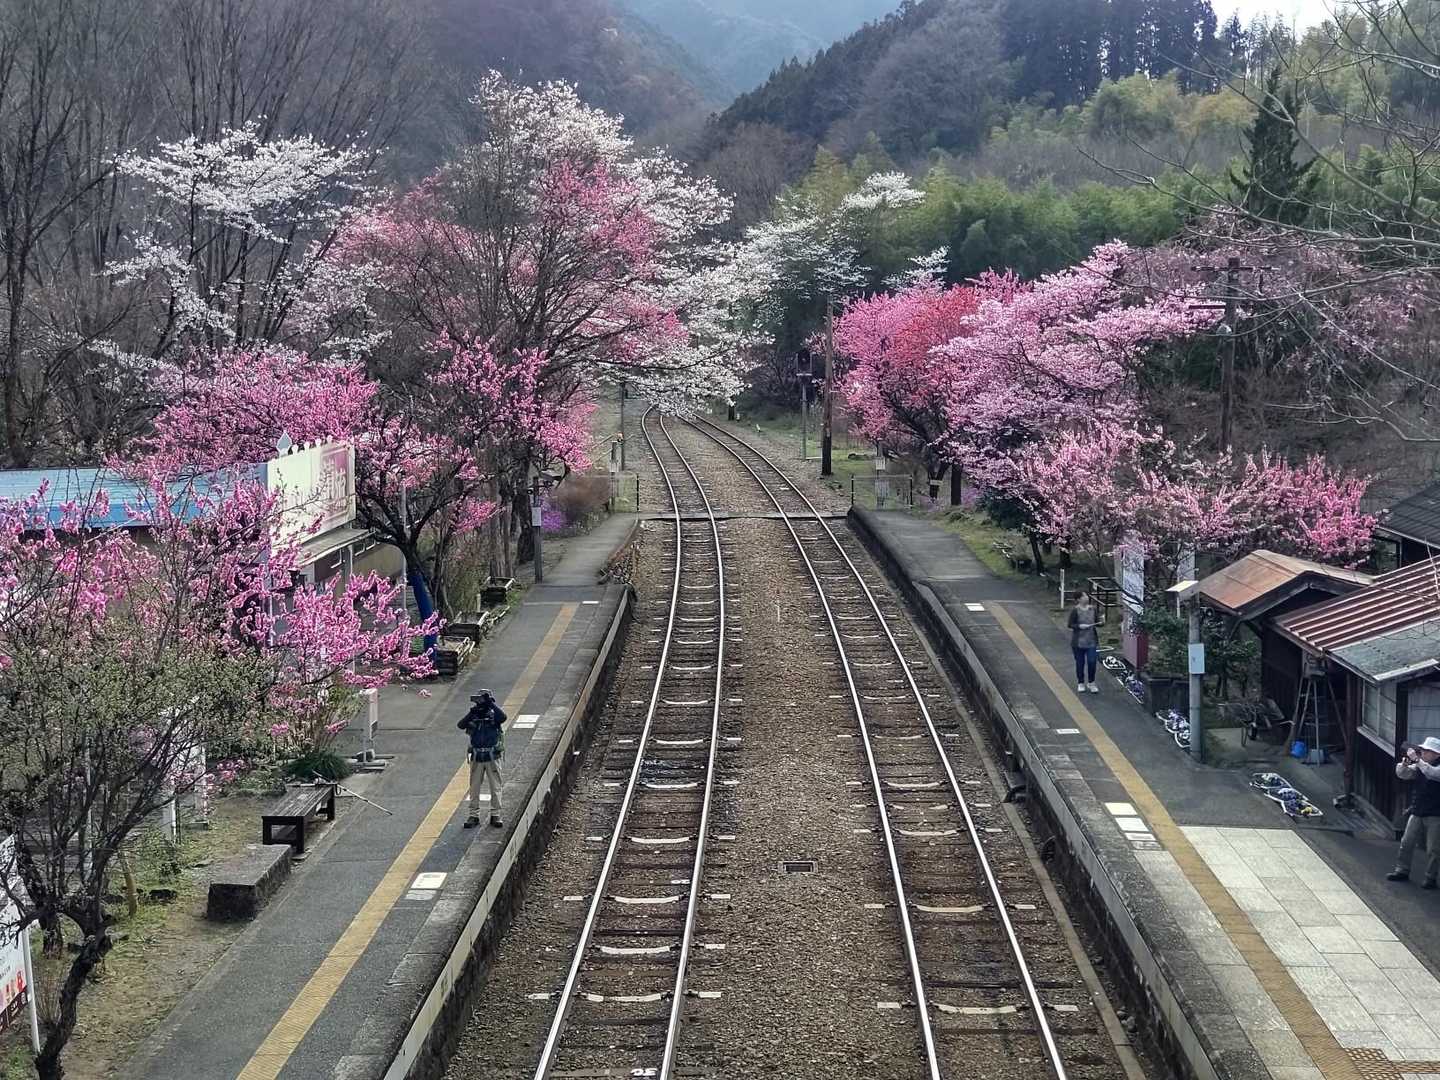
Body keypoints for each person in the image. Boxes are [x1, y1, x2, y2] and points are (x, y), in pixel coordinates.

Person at [1388, 736, 1440, 888]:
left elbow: (1432, 774)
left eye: (1426, 751)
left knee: (1434, 849)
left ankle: (1430, 877)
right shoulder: (1420, 766)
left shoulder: (1430, 767)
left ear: (1436, 754)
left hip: (1436, 813)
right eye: (1422, 750)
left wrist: (1417, 760)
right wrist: (1404, 765)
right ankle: (1401, 870)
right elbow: (1403, 774)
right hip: (1418, 809)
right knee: (1406, 842)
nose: (1422, 753)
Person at [459, 689, 508, 829]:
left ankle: (495, 814)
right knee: (474, 787)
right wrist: (472, 712)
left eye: (484, 699)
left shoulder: (494, 714)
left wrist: (490, 704)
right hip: (477, 756)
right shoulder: (474, 714)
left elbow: (503, 717)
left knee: (495, 787)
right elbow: (461, 725)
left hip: (492, 756)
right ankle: (473, 815)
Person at [1068, 591, 1100, 694]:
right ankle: (1081, 682)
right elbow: (1070, 624)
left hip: (1091, 641)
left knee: (1092, 662)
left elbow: (1097, 622)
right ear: (1079, 599)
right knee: (1080, 663)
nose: (1087, 597)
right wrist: (1079, 626)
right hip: (1078, 642)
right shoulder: (1075, 610)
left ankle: (1091, 682)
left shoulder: (1093, 609)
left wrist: (1101, 622)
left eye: (1086, 595)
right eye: (1084, 596)